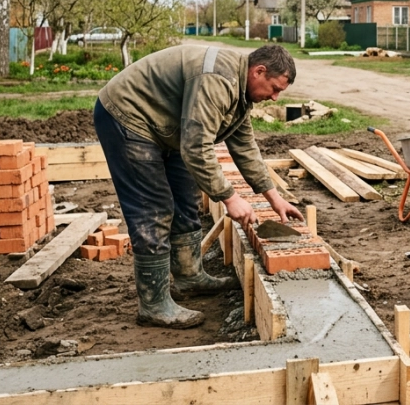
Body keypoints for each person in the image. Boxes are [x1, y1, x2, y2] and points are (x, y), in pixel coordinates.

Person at [93, 43, 304, 329]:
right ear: (259, 71)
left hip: (168, 127)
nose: (276, 98)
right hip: (129, 117)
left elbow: (244, 146)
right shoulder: (218, 79)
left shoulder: (240, 92)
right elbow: (196, 147)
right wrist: (229, 198)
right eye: (275, 88)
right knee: (154, 208)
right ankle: (153, 306)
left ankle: (189, 277)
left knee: (184, 197)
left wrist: (273, 197)